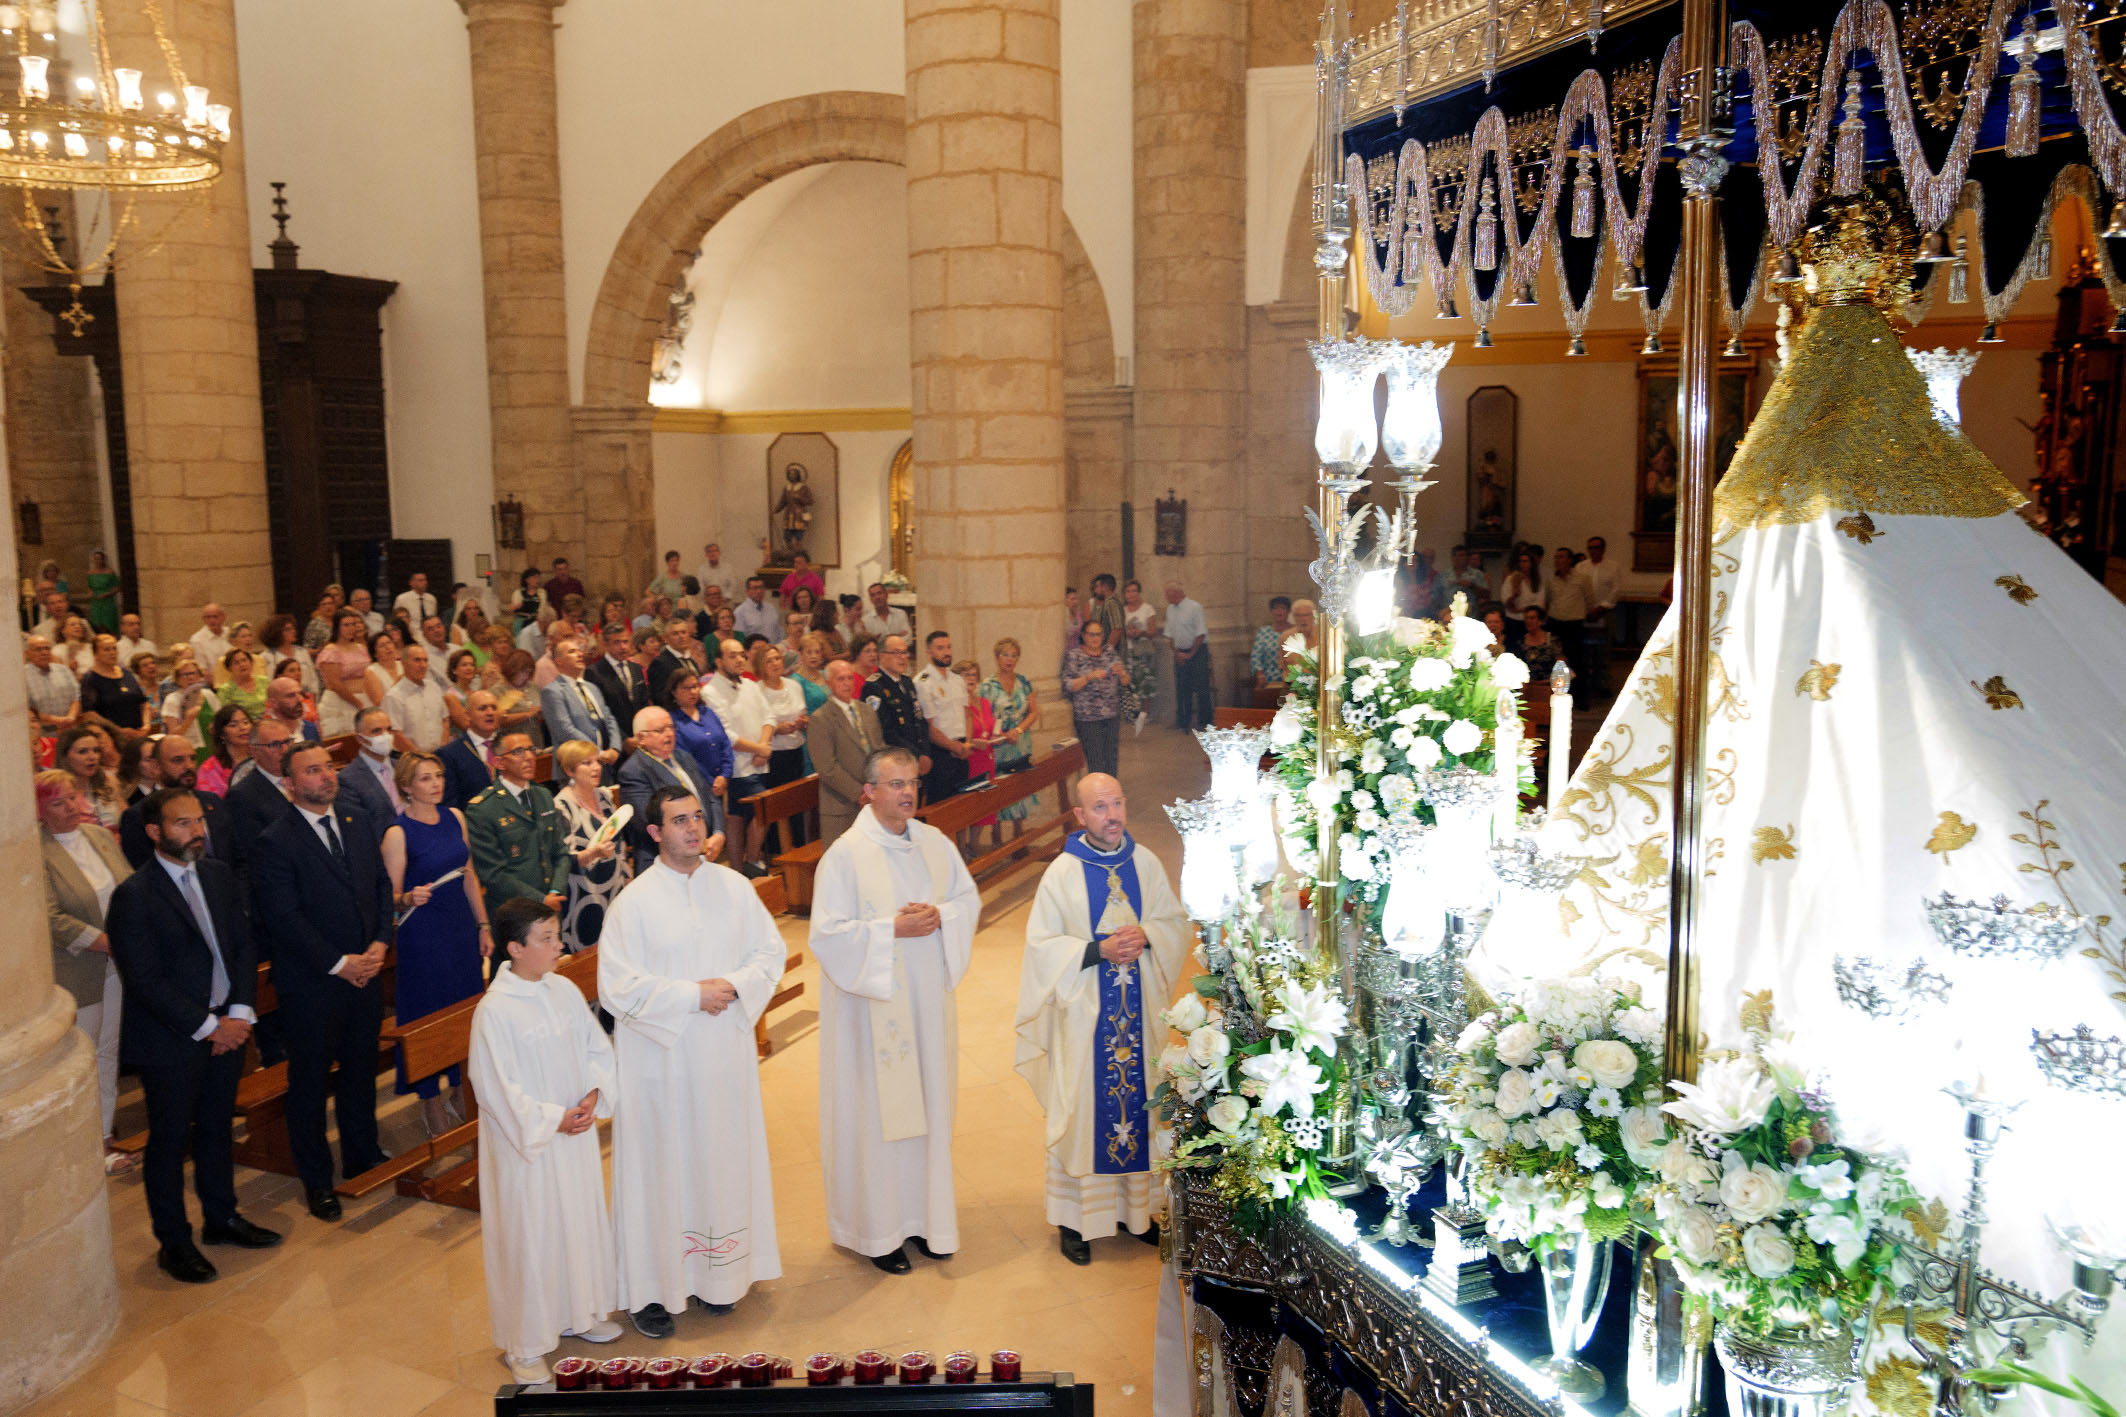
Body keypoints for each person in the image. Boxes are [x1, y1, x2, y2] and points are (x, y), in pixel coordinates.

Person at [601, 785, 786, 1334]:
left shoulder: (732, 887)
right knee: (661, 1169)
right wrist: (691, 995)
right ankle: (651, 1291)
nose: (692, 828)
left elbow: (769, 953)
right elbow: (616, 986)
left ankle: (716, 1275)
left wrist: (730, 984)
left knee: (718, 1159)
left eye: (698, 817)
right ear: (655, 833)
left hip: (721, 1059)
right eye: (679, 821)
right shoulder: (633, 902)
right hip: (661, 1066)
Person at [809, 747, 980, 1273]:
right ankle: (879, 1233)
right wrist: (890, 929)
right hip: (871, 1017)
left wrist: (941, 914)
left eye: (912, 783)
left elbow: (966, 900)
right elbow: (827, 935)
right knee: (876, 1118)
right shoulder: (845, 854)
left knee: (928, 1107)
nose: (908, 793)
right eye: (895, 784)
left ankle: (927, 1223)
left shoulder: (934, 843)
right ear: (869, 792)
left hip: (925, 1009)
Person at [1015, 772, 1190, 1262]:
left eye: (1117, 804)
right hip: (1085, 1020)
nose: (1111, 816)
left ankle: (1135, 1213)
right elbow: (1041, 948)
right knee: (1085, 1112)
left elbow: (1173, 922)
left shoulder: (1147, 862)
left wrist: (1149, 935)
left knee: (1139, 1107)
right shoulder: (1063, 873)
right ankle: (1075, 1221)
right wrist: (1099, 949)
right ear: (1080, 815)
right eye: (1099, 807)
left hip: (1138, 1017)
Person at [107, 786, 279, 1283]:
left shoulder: (218, 876)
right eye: (182, 824)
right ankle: (174, 1242)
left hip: (228, 1025)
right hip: (172, 1038)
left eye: (198, 821)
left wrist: (241, 1012)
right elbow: (143, 979)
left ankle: (221, 1218)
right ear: (155, 832)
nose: (196, 831)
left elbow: (242, 947)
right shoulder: (134, 895)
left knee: (216, 1127)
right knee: (168, 1140)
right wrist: (209, 1028)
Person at [468, 897, 623, 1382]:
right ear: (514, 948)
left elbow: (597, 1046)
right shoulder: (494, 1011)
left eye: (557, 936)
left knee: (576, 1222)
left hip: (573, 1134)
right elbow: (495, 1088)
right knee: (531, 1238)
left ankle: (582, 1314)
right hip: (529, 1149)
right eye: (547, 939)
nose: (559, 946)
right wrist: (554, 1117)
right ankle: (526, 1342)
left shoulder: (562, 990)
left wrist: (594, 1095)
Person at [251, 741, 395, 1220]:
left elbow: (378, 886)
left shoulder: (354, 820)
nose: (324, 777)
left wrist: (379, 942)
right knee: (310, 1084)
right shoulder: (276, 839)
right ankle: (317, 1181)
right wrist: (340, 963)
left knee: (358, 1072)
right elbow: (284, 919)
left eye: (328, 767)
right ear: (290, 783)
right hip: (314, 985)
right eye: (311, 771)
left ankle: (362, 1155)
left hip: (366, 975)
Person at [382, 752, 491, 1135]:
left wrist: (482, 924)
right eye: (425, 778)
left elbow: (468, 874)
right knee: (428, 1011)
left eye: (439, 776)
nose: (436, 784)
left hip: (460, 925)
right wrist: (409, 897)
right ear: (407, 786)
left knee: (465, 1007)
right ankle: (429, 1098)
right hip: (424, 932)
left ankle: (462, 1090)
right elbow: (390, 896)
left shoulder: (455, 817)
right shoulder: (398, 832)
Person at [39, 770, 135, 1172]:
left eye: (74, 798)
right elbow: (51, 918)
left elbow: (130, 888)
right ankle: (81, 1144)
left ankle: (104, 1135)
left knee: (108, 1051)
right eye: (58, 802)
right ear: (39, 811)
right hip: (79, 970)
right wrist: (111, 943)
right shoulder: (36, 852)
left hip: (119, 965)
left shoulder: (97, 837)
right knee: (81, 1058)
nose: (72, 808)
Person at [467, 732, 572, 928]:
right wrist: (540, 899)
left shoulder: (543, 795)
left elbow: (560, 852)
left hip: (551, 906)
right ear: (499, 763)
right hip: (514, 914)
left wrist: (555, 892)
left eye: (531, 750)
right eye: (518, 752)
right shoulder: (483, 809)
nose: (529, 757)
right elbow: (493, 875)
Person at [617, 706, 722, 873]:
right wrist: (696, 841)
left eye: (671, 727)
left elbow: (709, 798)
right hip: (664, 861)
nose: (669, 734)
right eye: (660, 730)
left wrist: (718, 833)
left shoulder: (684, 757)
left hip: (703, 851)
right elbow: (649, 821)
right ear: (640, 738)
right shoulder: (633, 771)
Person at [703, 637, 775, 875]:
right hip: (734, 765)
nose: (739, 659)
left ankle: (749, 863)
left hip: (759, 762)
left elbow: (769, 717)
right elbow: (726, 734)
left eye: (742, 654)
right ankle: (742, 867)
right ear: (719, 660)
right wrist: (759, 749)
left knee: (758, 813)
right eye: (732, 655)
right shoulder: (710, 691)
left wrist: (763, 747)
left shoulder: (751, 685)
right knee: (738, 817)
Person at [552, 740, 630, 952]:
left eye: (597, 762)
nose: (596, 768)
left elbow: (618, 841)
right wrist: (594, 852)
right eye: (587, 763)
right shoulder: (561, 806)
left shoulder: (604, 796)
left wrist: (626, 874)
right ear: (570, 770)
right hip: (585, 895)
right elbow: (564, 859)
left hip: (614, 886)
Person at [807, 659, 884, 848]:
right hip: (841, 804)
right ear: (829, 683)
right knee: (845, 863)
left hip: (874, 797)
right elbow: (827, 767)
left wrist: (879, 784)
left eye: (850, 678)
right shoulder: (820, 718)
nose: (847, 683)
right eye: (840, 679)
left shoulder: (866, 711)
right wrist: (859, 792)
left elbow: (879, 749)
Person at [119, 734, 227, 868]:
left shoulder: (212, 801)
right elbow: (145, 871)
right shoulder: (138, 816)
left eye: (192, 758)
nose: (189, 766)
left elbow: (237, 855)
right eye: (178, 760)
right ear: (156, 766)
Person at [751, 643, 810, 847]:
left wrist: (802, 722)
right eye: (769, 660)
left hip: (795, 751)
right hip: (774, 755)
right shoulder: (757, 690)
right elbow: (754, 724)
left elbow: (801, 711)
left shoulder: (793, 685)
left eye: (777, 658)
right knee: (777, 805)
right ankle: (778, 849)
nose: (775, 663)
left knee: (796, 802)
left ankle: (799, 843)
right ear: (761, 665)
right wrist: (777, 728)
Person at [980, 637, 1038, 837]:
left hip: (1020, 740)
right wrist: (1002, 734)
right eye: (1005, 655)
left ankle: (1018, 834)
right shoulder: (987, 686)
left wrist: (1018, 730)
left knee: (1020, 786)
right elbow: (983, 715)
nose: (1009, 659)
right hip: (998, 743)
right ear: (997, 657)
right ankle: (997, 835)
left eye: (1014, 655)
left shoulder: (1023, 682)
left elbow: (1033, 712)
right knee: (1000, 788)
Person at [539, 637, 623, 773]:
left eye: (579, 650)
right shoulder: (552, 691)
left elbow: (609, 719)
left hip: (605, 764)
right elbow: (564, 730)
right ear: (559, 661)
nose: (580, 654)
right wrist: (598, 752)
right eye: (572, 651)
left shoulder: (592, 687)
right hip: (575, 766)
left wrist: (615, 748)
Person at [914, 630, 971, 804]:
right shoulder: (923, 682)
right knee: (942, 809)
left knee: (963, 806)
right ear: (929, 652)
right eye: (940, 648)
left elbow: (967, 715)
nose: (946, 652)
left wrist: (966, 743)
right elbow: (928, 727)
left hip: (962, 749)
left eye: (948, 647)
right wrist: (953, 746)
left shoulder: (957, 679)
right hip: (941, 753)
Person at [1060, 620, 1123, 777]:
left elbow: (1126, 680)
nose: (1096, 638)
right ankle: (1098, 797)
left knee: (1111, 759)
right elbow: (1068, 685)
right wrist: (1088, 677)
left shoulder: (1109, 651)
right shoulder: (1074, 655)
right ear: (1083, 635)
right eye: (1091, 634)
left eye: (1099, 634)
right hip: (1088, 717)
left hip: (1111, 713)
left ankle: (1110, 794)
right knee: (1096, 760)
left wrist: (1121, 673)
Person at [864, 633, 929, 782]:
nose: (903, 657)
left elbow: (919, 720)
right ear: (881, 656)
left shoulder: (907, 682)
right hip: (895, 761)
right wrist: (916, 756)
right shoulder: (874, 686)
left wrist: (925, 752)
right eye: (896, 653)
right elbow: (884, 731)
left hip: (918, 758)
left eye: (905, 652)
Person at [662, 668, 732, 804]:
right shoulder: (671, 721)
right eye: (686, 688)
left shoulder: (708, 713)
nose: (693, 692)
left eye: (695, 686)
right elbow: (684, 758)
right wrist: (712, 782)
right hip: (696, 788)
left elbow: (725, 744)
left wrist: (724, 775)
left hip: (722, 784)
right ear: (673, 692)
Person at [338, 706, 402, 833]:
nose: (386, 736)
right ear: (359, 738)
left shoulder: (402, 766)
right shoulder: (347, 779)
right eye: (377, 731)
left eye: (389, 730)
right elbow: (359, 829)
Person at [437, 689, 503, 811]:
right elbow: (450, 803)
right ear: (467, 715)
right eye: (482, 708)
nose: (490, 713)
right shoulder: (450, 754)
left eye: (494, 708)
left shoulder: (508, 745)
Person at [957, 660, 1000, 842]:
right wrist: (973, 743)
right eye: (966, 674)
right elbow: (956, 737)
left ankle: (974, 848)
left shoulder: (985, 703)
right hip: (969, 760)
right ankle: (962, 850)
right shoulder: (957, 705)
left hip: (986, 759)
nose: (971, 678)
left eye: (974, 674)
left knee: (985, 808)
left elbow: (992, 728)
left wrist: (999, 736)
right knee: (968, 808)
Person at [586, 621, 650, 738]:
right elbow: (601, 713)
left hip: (641, 734)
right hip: (615, 739)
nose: (623, 647)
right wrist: (623, 740)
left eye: (625, 642)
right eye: (616, 643)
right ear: (606, 645)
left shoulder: (635, 667)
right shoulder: (594, 672)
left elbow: (644, 702)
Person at [315, 610, 373, 737]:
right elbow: (335, 684)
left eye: (353, 624)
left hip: (364, 697)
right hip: (341, 701)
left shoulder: (361, 647)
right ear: (337, 627)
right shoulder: (331, 651)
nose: (351, 628)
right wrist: (357, 703)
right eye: (346, 625)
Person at [80, 633, 153, 733]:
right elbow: (89, 714)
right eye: (107, 649)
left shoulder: (126, 673)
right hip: (111, 735)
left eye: (114, 649)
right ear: (95, 654)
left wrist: (146, 725)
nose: (112, 653)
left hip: (137, 733)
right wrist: (118, 730)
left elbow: (143, 702)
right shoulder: (91, 678)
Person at [1163, 581, 1211, 732]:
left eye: (1167, 594)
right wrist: (1177, 653)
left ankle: (1205, 721)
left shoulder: (1195, 607)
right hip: (1179, 652)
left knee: (1201, 687)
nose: (1165, 597)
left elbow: (1201, 633)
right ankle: (1183, 721)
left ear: (1175, 593)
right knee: (1182, 688)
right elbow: (1169, 634)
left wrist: (1190, 654)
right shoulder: (1170, 609)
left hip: (1197, 652)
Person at [386, 642, 450, 753]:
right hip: (410, 759)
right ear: (404, 663)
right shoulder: (394, 696)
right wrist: (421, 757)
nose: (423, 665)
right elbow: (396, 734)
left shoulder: (434, 687)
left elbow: (444, 719)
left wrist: (443, 748)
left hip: (439, 754)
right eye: (417, 660)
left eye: (425, 660)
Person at [1547, 545, 1590, 684]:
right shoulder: (1551, 579)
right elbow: (1548, 600)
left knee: (1576, 659)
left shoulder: (1582, 578)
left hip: (1574, 624)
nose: (1558, 560)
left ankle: (1579, 697)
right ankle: (1555, 690)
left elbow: (1590, 599)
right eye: (1556, 557)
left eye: (1561, 557)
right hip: (1555, 623)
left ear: (1570, 560)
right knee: (1555, 659)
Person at [1119, 580, 1158, 733]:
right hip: (1128, 650)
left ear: (1139, 592)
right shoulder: (1123, 610)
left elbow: (1153, 631)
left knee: (1145, 684)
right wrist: (1127, 633)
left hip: (1144, 650)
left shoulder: (1148, 609)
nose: (1131, 594)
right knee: (1130, 683)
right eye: (1128, 591)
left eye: (1134, 591)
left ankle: (1145, 714)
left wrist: (1140, 633)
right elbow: (1119, 629)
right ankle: (1132, 714)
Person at [195, 705, 254, 798]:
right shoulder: (209, 769)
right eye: (233, 725)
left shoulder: (261, 758)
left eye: (246, 722)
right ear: (222, 734)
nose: (242, 728)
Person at [25, 634, 80, 732]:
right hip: (43, 733)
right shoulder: (22, 676)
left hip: (69, 728)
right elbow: (28, 709)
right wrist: (58, 721)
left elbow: (76, 698)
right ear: (27, 653)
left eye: (47, 648)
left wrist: (70, 718)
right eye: (38, 649)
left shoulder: (64, 670)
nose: (44, 652)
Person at [160, 659, 219, 750]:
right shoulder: (172, 700)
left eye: (193, 673)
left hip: (212, 747)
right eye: (185, 675)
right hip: (189, 750)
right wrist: (188, 719)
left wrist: (216, 726)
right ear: (177, 679)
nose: (190, 677)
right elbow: (174, 735)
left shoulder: (208, 694)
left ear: (199, 676)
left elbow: (221, 720)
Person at [1251, 596, 1293, 692]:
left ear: (1288, 611)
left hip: (1291, 679)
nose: (1279, 611)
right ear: (1271, 611)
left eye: (1283, 608)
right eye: (1276, 608)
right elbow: (1255, 657)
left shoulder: (1294, 631)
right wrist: (1260, 676)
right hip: (1267, 680)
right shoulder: (1263, 631)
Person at [218, 647, 267, 724]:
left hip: (269, 723)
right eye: (236, 663)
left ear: (251, 662)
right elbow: (227, 717)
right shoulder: (226, 690)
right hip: (244, 728)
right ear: (229, 668)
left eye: (244, 660)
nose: (242, 665)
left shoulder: (264, 681)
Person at [1518, 605, 1562, 681]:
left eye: (1532, 618)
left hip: (1549, 685)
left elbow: (1561, 663)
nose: (1528, 621)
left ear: (1540, 621)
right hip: (1528, 686)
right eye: (1526, 618)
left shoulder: (1551, 640)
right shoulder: (1521, 642)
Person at [730, 575, 777, 643]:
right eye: (755, 588)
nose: (759, 591)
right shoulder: (740, 612)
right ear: (747, 591)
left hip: (771, 650)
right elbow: (739, 638)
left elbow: (778, 633)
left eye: (761, 588)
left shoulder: (771, 608)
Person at [694, 542, 743, 606]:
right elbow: (701, 587)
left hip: (726, 603)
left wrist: (726, 598)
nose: (712, 554)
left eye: (714, 551)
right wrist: (708, 600)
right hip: (709, 604)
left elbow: (733, 585)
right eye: (709, 551)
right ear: (706, 554)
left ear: (719, 553)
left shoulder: (728, 568)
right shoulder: (702, 569)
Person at [189, 604, 232, 675]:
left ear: (223, 617)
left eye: (215, 616)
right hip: (213, 683)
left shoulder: (230, 633)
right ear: (203, 619)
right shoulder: (197, 640)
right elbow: (202, 671)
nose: (212, 620)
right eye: (208, 617)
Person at [84, 550, 121, 634]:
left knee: (108, 622)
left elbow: (117, 588)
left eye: (99, 559)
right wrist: (90, 593)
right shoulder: (90, 573)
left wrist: (107, 594)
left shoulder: (110, 572)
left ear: (103, 560)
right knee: (97, 623)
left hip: (107, 602)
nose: (97, 561)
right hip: (96, 602)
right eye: (95, 559)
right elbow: (89, 587)